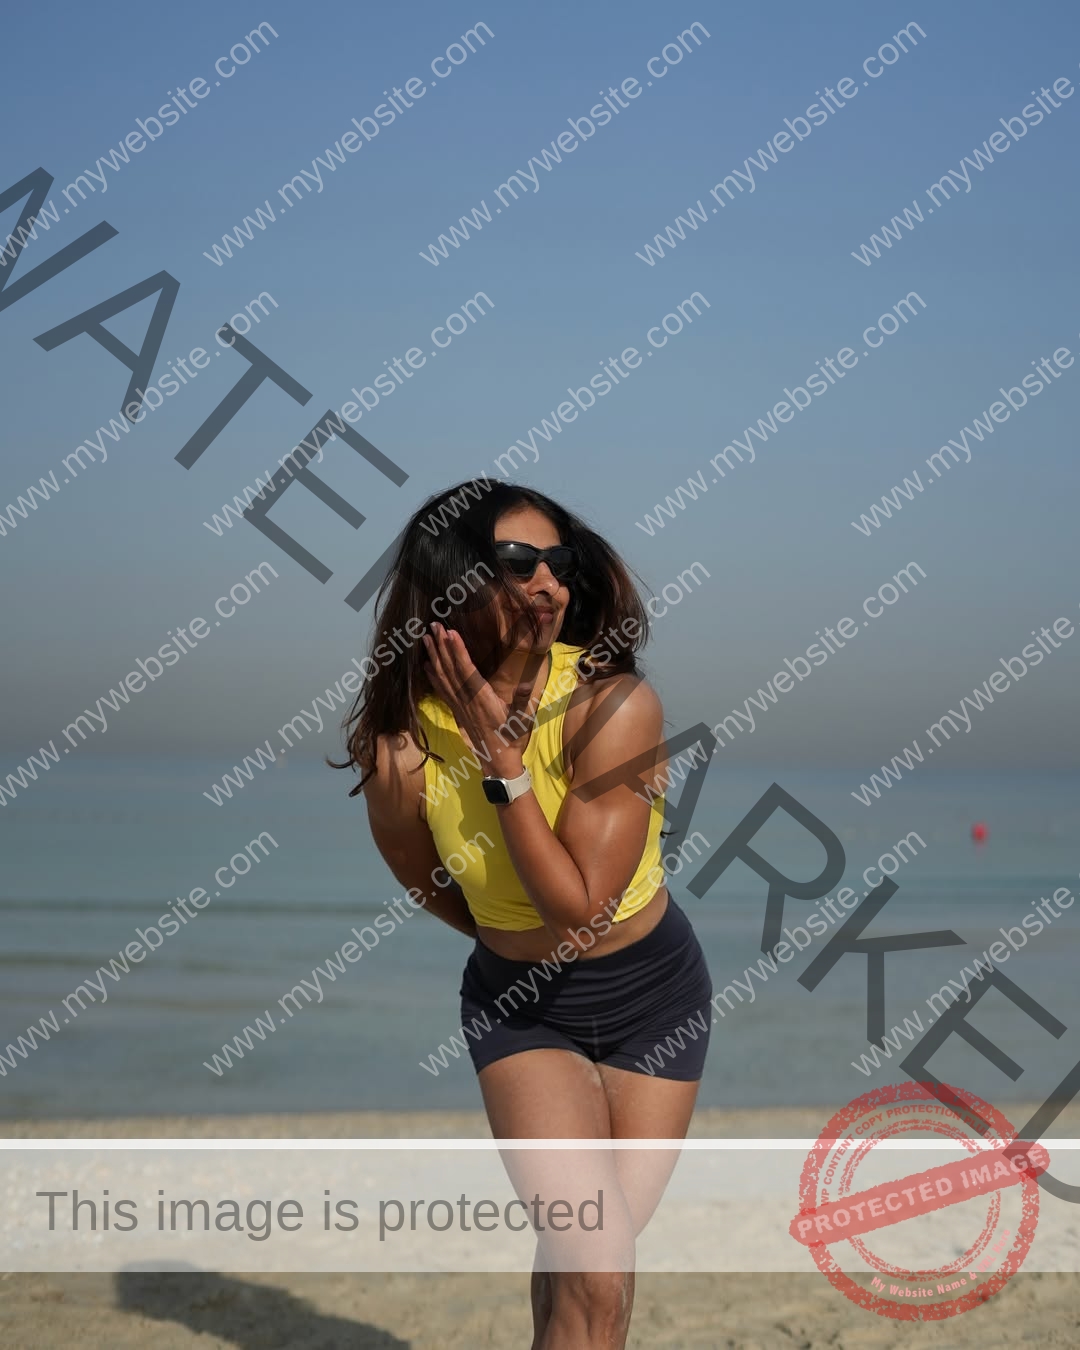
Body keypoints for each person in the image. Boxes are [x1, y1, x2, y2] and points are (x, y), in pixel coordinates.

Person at [336, 479, 713, 1349]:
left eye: (560, 564)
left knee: (588, 1264)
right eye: (519, 563)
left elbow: (580, 913)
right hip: (520, 1010)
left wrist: (504, 764)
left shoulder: (613, 706)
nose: (549, 584)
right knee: (597, 1267)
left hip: (654, 994)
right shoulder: (403, 745)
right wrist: (513, 943)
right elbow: (424, 877)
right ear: (455, 577)